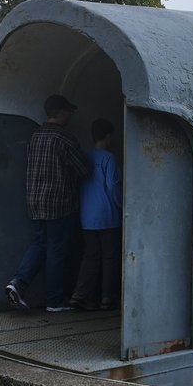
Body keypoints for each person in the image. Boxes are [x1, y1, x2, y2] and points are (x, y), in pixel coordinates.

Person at [6, 94, 91, 312]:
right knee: (56, 252)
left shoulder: (35, 136)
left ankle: (18, 283)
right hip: (59, 204)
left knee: (39, 244)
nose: (71, 115)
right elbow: (84, 170)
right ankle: (54, 301)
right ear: (62, 112)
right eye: (69, 111)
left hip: (35, 203)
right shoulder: (64, 138)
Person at [69, 118, 123, 311]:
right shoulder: (109, 158)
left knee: (90, 256)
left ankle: (80, 294)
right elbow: (113, 186)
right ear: (108, 136)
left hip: (87, 217)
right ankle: (107, 297)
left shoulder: (85, 157)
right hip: (108, 216)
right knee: (110, 257)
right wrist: (122, 207)